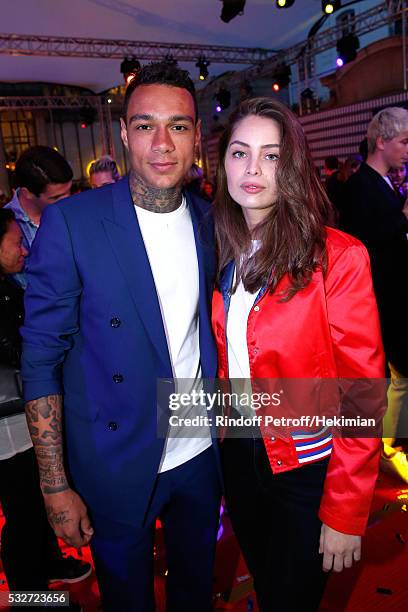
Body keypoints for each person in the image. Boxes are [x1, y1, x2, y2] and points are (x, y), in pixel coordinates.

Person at [21, 61, 221, 612]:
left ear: (197, 136)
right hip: (112, 460)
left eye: (178, 126)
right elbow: (40, 358)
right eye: (144, 125)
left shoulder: (210, 222)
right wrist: (54, 485)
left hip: (199, 452)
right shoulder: (74, 223)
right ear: (124, 133)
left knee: (194, 594)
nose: (162, 143)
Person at [211, 98, 385, 611]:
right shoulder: (219, 248)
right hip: (240, 453)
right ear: (222, 164)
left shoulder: (337, 256)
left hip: (307, 466)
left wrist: (345, 511)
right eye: (240, 153)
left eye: (270, 155)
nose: (252, 169)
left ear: (290, 165)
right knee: (269, 587)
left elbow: (363, 393)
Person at [0, 209, 89, 610]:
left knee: (31, 510)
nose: (24, 249)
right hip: (7, 430)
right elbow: (20, 351)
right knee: (20, 518)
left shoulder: (8, 287)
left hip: (19, 420)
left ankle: (45, 574)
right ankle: (29, 599)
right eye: (16, 242)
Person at [340, 107, 408, 482]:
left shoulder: (381, 182)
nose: (407, 150)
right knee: (388, 377)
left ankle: (386, 444)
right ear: (381, 141)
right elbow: (368, 246)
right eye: (403, 141)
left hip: (393, 298)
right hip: (381, 301)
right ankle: (382, 447)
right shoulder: (360, 187)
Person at [5, 146, 73, 288]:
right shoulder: (7, 226)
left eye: (69, 191)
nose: (68, 201)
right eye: (56, 197)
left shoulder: (75, 210)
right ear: (27, 193)